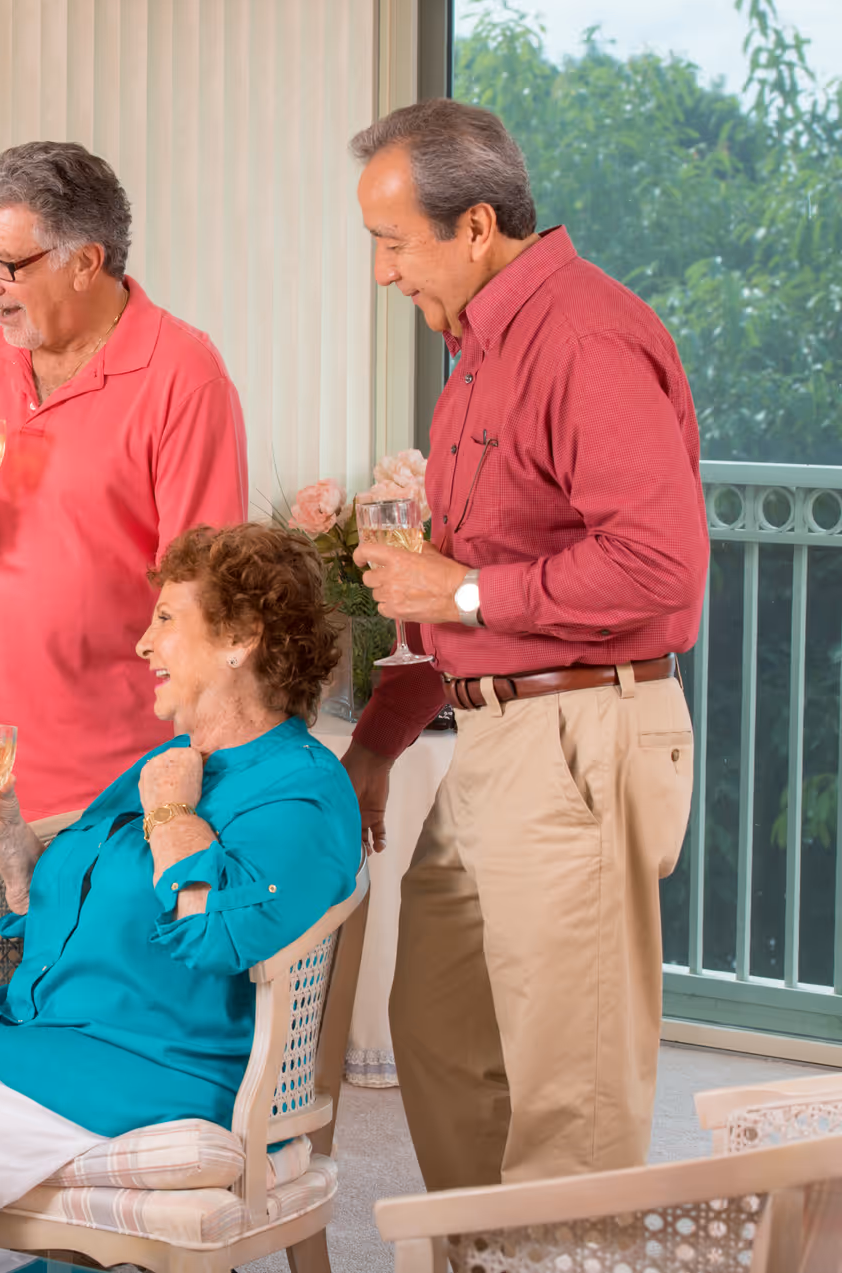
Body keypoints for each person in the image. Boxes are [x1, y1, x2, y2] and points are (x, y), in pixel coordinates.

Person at [0, 522, 360, 1241]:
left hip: (147, 1072)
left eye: (166, 619)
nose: (144, 643)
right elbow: (87, 900)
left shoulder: (302, 789)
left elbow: (212, 934)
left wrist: (170, 810)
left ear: (241, 637)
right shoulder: (171, 755)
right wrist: (15, 849)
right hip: (31, 1041)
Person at [342, 99, 706, 1189]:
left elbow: (658, 565)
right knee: (439, 1027)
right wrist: (378, 741)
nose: (382, 273)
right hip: (499, 738)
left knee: (571, 1092)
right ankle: (492, 1258)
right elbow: (456, 598)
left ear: (478, 227)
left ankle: (565, 1257)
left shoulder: (583, 338)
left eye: (392, 243)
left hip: (580, 734)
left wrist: (454, 586)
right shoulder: (478, 360)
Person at [0, 141, 248, 866]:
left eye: (8, 265)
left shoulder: (184, 376)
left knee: (67, 984)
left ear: (86, 261)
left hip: (99, 791)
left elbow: (203, 596)